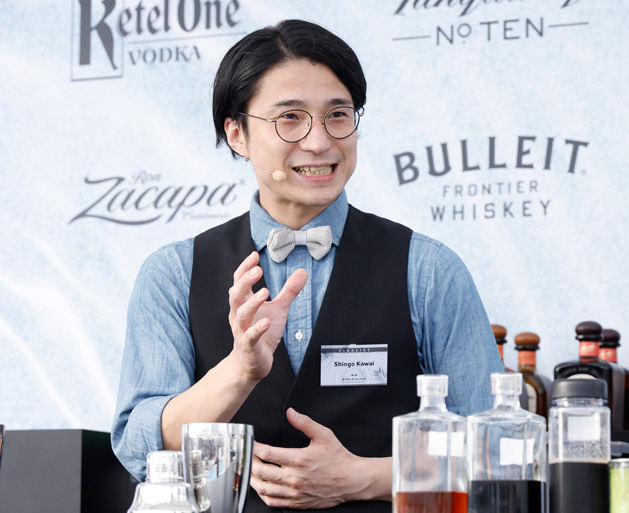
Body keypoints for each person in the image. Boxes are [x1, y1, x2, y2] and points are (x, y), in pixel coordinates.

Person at [111, 19, 503, 512]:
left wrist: (363, 478)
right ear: (237, 134)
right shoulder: (173, 274)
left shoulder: (427, 269)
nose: (319, 142)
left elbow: (495, 450)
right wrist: (240, 370)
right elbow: (140, 448)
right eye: (290, 118)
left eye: (338, 115)